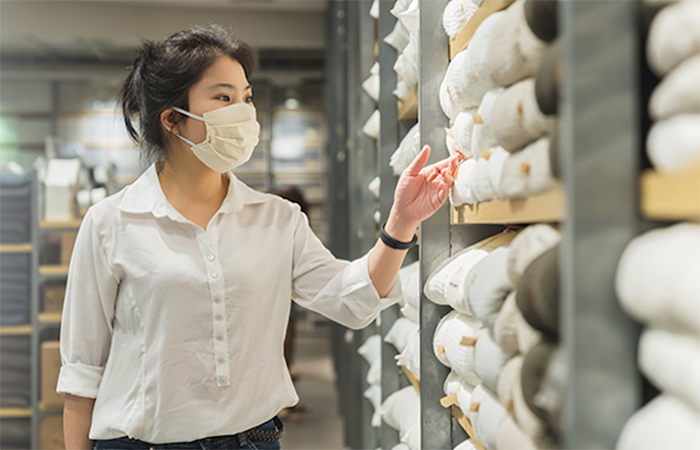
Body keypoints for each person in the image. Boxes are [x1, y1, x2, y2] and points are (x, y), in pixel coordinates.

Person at [58, 25, 461, 450]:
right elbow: (82, 371)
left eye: (246, 97)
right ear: (173, 120)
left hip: (251, 442)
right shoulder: (111, 222)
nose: (244, 111)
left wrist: (401, 223)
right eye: (223, 97)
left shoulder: (277, 219)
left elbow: (351, 299)